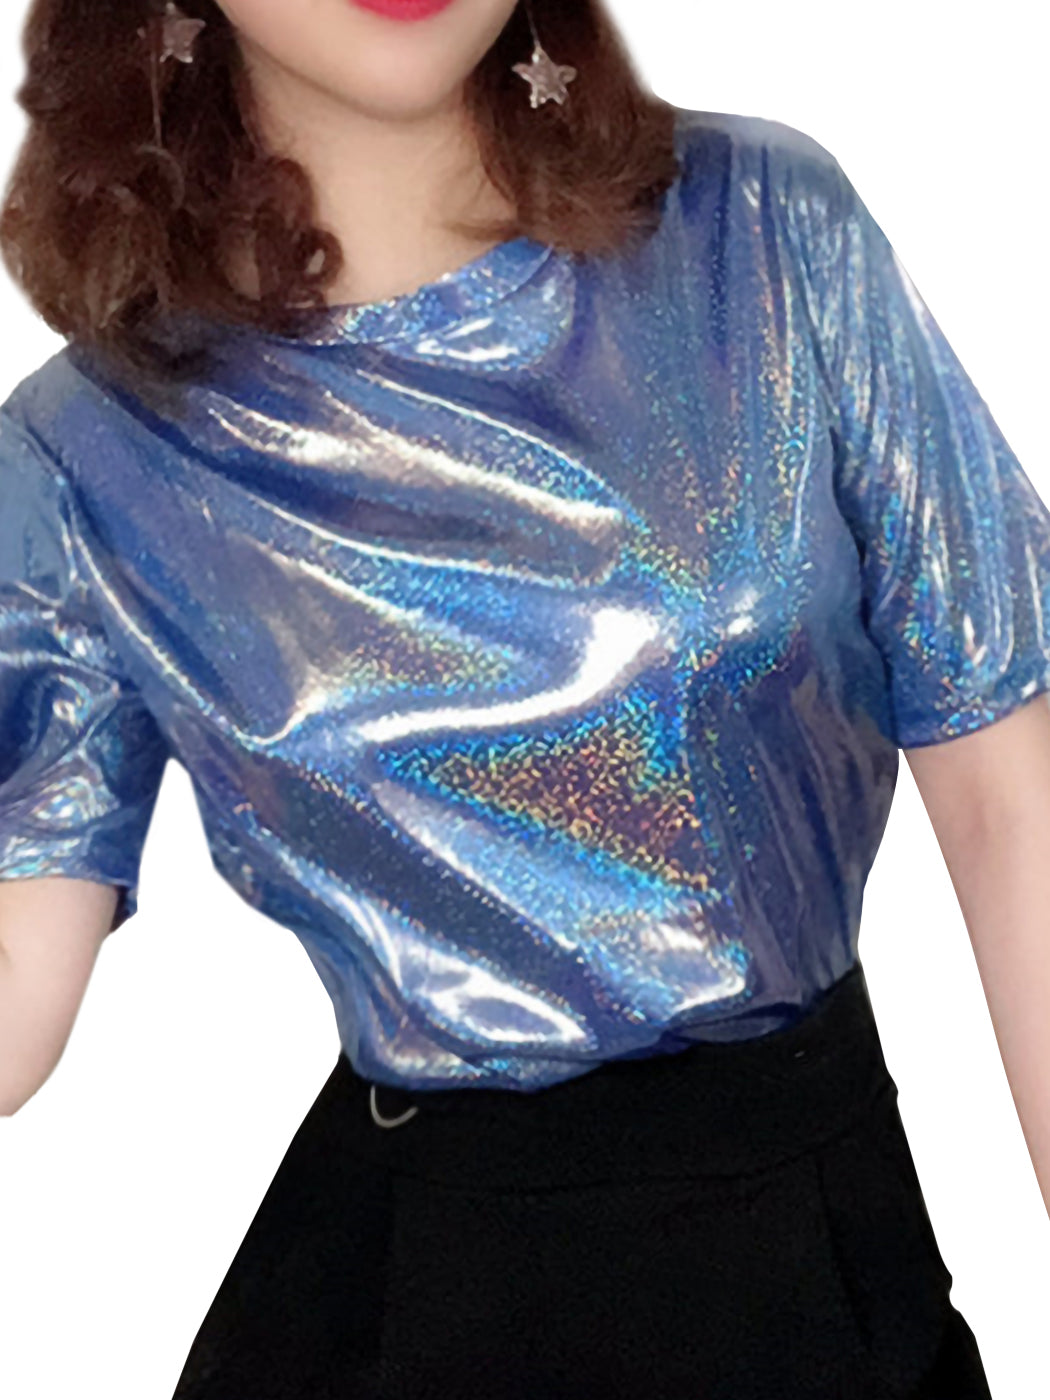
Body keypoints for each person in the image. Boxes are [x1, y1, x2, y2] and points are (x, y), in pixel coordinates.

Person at [0, 0, 1046, 1395]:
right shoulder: (87, 453)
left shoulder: (760, 234)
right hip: (412, 1293)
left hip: (805, 1249)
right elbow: (19, 986)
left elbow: (1010, 797)